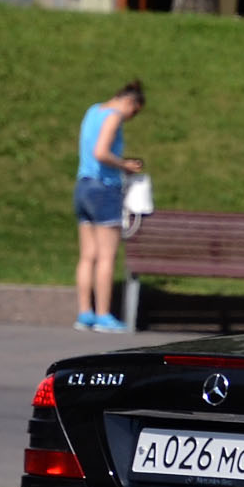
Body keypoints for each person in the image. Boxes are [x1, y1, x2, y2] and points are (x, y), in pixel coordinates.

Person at [73, 80, 146, 332]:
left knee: (87, 255)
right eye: (134, 112)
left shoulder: (93, 111)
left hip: (83, 186)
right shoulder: (114, 116)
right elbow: (101, 152)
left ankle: (85, 313)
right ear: (130, 102)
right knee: (106, 256)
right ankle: (103, 314)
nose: (130, 117)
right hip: (104, 188)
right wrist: (124, 165)